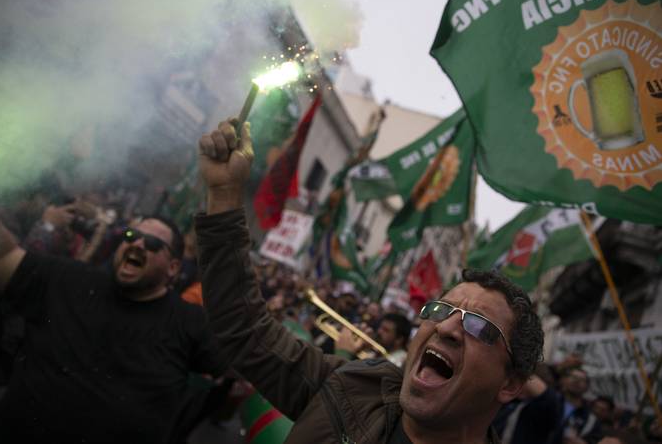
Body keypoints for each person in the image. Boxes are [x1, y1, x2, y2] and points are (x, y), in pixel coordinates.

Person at [195, 119, 545, 444]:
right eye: (440, 310)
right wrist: (225, 193)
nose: (447, 328)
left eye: (479, 326)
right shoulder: (353, 388)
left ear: (511, 383)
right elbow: (242, 325)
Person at [0, 189, 227, 444]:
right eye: (131, 235)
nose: (137, 243)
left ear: (173, 268)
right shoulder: (66, 279)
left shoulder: (189, 322)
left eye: (153, 243)